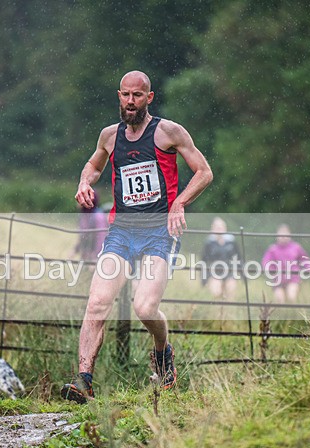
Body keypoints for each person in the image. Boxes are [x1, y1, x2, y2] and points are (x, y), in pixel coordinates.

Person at [61, 70, 213, 403]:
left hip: (160, 231)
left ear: (149, 98)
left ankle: (162, 351)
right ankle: (84, 380)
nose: (131, 102)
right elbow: (94, 164)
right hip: (122, 232)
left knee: (144, 307)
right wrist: (84, 183)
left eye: (138, 96)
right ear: (119, 96)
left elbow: (204, 172)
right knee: (97, 302)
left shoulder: (168, 132)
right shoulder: (109, 136)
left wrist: (179, 203)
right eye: (126, 95)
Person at [261, 224, 310, 304]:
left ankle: (293, 314)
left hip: (293, 278)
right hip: (277, 279)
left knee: (291, 297)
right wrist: (271, 271)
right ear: (277, 236)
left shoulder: (296, 247)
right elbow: (266, 262)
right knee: (280, 300)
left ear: (290, 235)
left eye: (285, 235)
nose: (283, 238)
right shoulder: (272, 249)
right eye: (281, 235)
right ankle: (283, 315)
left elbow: (305, 260)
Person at [201, 217, 240, 300]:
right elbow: (204, 262)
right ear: (212, 229)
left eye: (221, 227)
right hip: (214, 272)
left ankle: (229, 311)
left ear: (225, 229)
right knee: (216, 293)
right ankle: (218, 310)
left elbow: (239, 258)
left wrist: (243, 274)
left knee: (230, 294)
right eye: (217, 227)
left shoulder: (232, 242)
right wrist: (204, 280)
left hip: (229, 271)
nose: (219, 230)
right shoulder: (209, 243)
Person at [72, 190, 108, 263]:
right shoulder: (83, 216)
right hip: (87, 255)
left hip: (97, 256)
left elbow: (101, 239)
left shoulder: (98, 217)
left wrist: (96, 258)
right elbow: (83, 236)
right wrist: (75, 250)